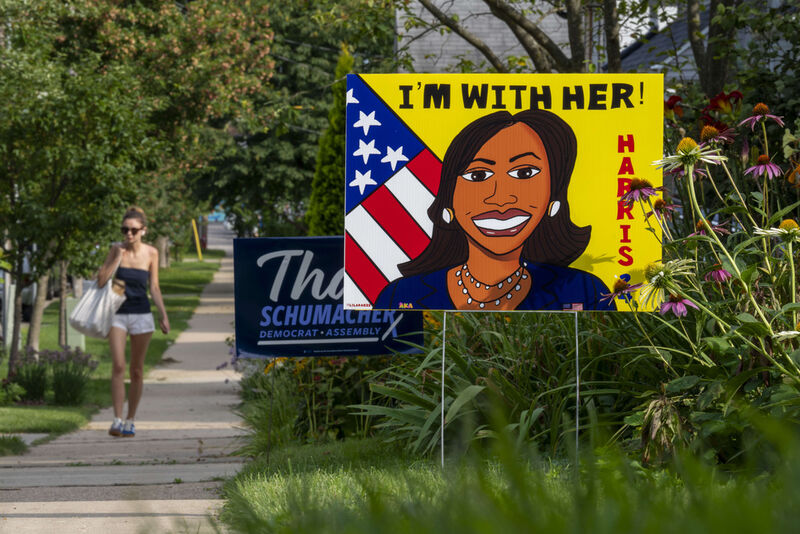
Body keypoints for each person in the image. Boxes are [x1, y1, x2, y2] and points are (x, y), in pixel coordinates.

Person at [374, 109, 615, 311]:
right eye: (478, 175)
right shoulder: (399, 296)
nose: (501, 198)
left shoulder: (585, 292)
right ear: (449, 200)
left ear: (553, 197)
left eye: (524, 173)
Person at [96, 207, 170, 437]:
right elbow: (100, 281)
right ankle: (117, 419)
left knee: (136, 370)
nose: (128, 234)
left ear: (143, 231)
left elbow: (154, 287)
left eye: (133, 230)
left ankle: (130, 419)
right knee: (118, 366)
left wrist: (163, 314)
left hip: (141, 314)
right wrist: (115, 259)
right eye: (125, 230)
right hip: (117, 313)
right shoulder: (116, 250)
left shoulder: (151, 253)